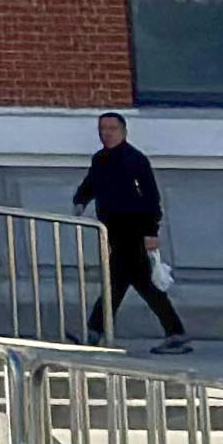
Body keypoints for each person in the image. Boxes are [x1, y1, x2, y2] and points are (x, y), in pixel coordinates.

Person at [73, 109, 193, 350]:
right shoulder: (100, 159)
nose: (106, 134)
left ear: (123, 131)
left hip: (134, 231)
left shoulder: (135, 160)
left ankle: (96, 331)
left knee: (122, 283)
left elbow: (150, 197)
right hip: (113, 230)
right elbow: (91, 184)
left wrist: (151, 231)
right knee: (130, 283)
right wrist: (80, 201)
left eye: (112, 129)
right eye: (102, 129)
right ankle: (174, 332)